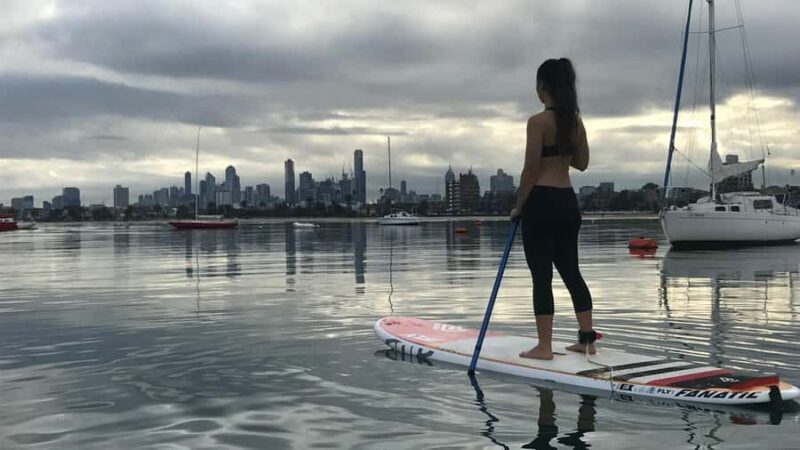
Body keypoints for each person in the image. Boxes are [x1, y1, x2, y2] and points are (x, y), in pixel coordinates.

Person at [510, 58, 595, 360]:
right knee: (572, 271)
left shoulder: (538, 122)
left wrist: (518, 207)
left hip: (541, 202)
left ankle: (544, 346)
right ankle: (587, 340)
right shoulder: (575, 121)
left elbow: (530, 170)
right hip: (567, 202)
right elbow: (582, 163)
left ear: (542, 87)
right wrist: (561, 150)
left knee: (541, 276)